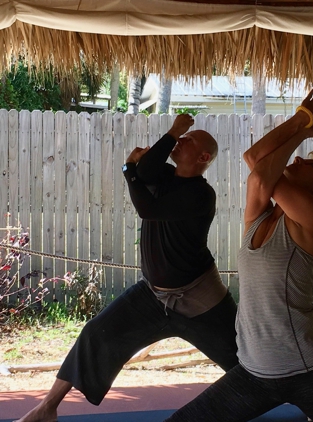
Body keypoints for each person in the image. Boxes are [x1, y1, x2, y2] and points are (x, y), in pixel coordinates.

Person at [164, 90, 313, 422]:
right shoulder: (260, 214)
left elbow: (258, 170)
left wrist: (303, 127)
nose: (299, 159)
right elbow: (254, 156)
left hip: (311, 369)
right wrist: (300, 122)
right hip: (254, 371)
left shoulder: (312, 219)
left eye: (310, 166)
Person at [17, 114, 238, 422]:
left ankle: (312, 403)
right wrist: (161, 145)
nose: (181, 141)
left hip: (200, 297)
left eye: (189, 140)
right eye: (181, 138)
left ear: (202, 158)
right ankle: (46, 409)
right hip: (151, 294)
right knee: (97, 334)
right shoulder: (165, 177)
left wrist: (130, 170)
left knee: (247, 359)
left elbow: (148, 208)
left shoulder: (201, 194)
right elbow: (145, 168)